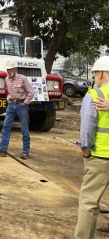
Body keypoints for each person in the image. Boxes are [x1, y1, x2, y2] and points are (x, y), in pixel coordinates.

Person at [74, 56, 109, 238]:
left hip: (100, 157)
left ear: (101, 73)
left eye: (95, 73)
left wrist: (85, 150)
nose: (95, 77)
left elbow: (87, 128)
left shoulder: (94, 95)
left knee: (89, 202)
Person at [0, 61, 34, 159]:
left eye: (10, 69)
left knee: (24, 128)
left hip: (21, 105)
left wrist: (25, 102)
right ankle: (2, 149)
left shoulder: (22, 78)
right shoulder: (7, 79)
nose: (9, 71)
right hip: (11, 105)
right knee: (6, 126)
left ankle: (25, 151)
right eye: (7, 70)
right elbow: (9, 91)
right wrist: (8, 99)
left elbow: (30, 92)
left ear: (15, 69)